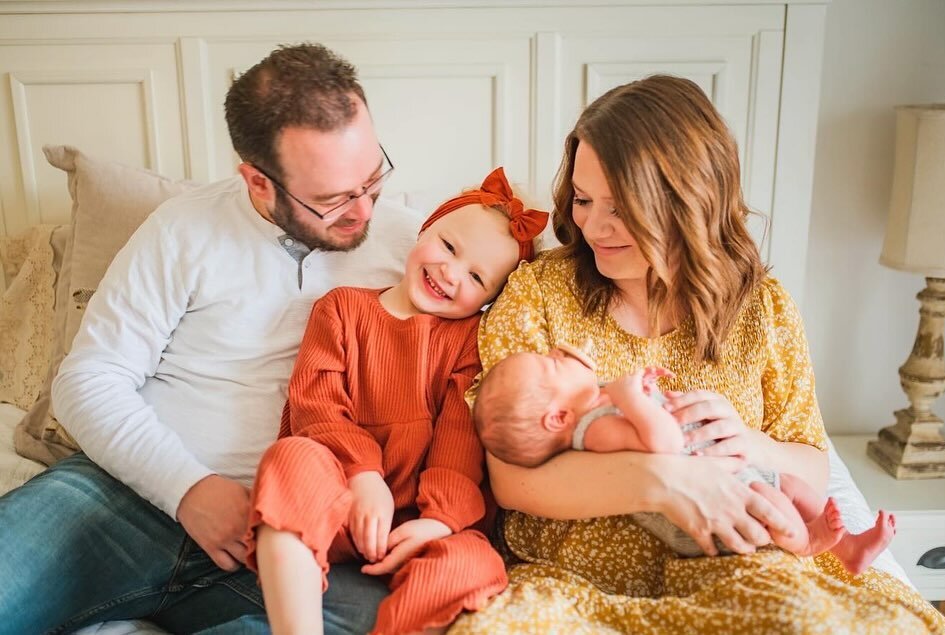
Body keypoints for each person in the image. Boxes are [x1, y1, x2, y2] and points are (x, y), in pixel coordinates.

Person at [447, 75, 945, 633]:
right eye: (584, 200)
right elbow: (512, 478)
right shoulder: (539, 294)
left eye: (620, 207)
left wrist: (750, 441)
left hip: (741, 564)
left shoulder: (762, 309)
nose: (591, 224)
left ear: (688, 200)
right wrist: (664, 483)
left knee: (815, 621)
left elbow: (812, 460)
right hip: (574, 579)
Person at [0, 43, 422, 634]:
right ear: (258, 180)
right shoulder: (182, 228)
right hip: (129, 499)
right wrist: (188, 489)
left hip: (304, 538)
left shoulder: (417, 248)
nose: (362, 210)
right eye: (332, 199)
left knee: (389, 617)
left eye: (373, 179)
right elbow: (88, 378)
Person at [244, 167, 547, 634]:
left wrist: (440, 522)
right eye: (448, 246)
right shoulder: (341, 308)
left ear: (490, 300)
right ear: (425, 229)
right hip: (338, 493)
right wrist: (363, 477)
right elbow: (316, 403)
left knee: (475, 563)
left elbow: (458, 444)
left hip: (415, 521)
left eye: (476, 278)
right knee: (289, 459)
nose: (450, 273)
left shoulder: (470, 342)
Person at [473, 344, 896, 573]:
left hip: (735, 465)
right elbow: (662, 444)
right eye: (551, 365)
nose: (557, 354)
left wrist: (741, 435)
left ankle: (849, 548)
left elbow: (811, 452)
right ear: (559, 417)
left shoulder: (597, 401)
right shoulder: (593, 428)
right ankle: (807, 544)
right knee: (778, 507)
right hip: (716, 508)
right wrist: (630, 396)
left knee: (797, 489)